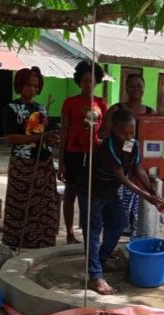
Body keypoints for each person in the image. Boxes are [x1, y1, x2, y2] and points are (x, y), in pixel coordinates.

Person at [78, 109, 164, 295]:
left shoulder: (131, 145)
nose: (128, 136)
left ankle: (101, 261)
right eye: (123, 132)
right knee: (93, 233)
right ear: (113, 129)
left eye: (132, 132)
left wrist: (152, 191)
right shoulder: (107, 148)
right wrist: (148, 198)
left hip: (109, 193)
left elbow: (137, 168)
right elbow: (123, 179)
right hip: (91, 192)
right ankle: (95, 276)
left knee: (118, 223)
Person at [2, 67, 60, 250]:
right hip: (22, 165)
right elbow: (10, 138)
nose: (32, 89)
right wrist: (39, 138)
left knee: (44, 205)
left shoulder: (41, 108)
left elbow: (42, 135)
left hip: (43, 163)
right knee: (20, 204)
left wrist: (52, 138)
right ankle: (16, 244)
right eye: (28, 85)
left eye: (36, 86)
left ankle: (40, 243)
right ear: (19, 85)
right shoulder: (10, 108)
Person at [58, 61, 107, 244]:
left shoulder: (101, 103)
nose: (88, 84)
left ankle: (90, 233)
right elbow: (64, 131)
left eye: (91, 81)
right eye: (85, 80)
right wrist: (61, 161)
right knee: (71, 193)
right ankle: (70, 234)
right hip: (73, 153)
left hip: (95, 154)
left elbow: (105, 131)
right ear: (79, 82)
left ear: (96, 82)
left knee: (91, 194)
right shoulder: (69, 103)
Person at [101, 74, 154, 239]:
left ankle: (134, 244)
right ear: (126, 88)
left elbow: (157, 140)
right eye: (132, 86)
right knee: (116, 214)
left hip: (142, 165)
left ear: (144, 88)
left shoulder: (151, 112)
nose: (136, 89)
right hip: (118, 167)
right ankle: (112, 244)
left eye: (139, 86)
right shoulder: (116, 110)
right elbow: (104, 133)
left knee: (138, 216)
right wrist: (124, 144)